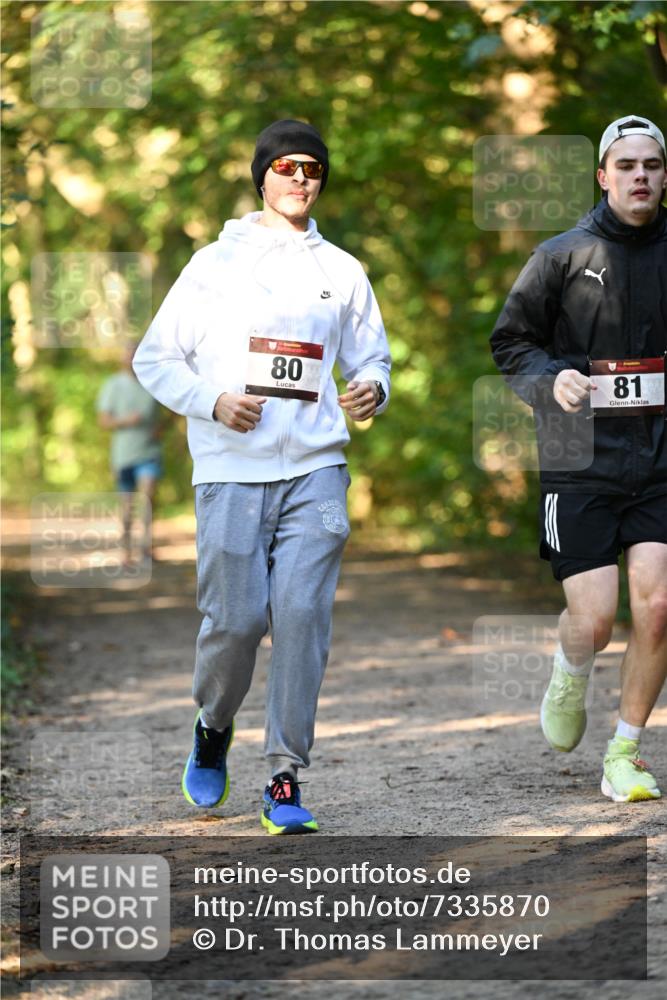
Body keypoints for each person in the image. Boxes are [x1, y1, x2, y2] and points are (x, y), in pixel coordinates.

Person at [133, 119, 391, 833]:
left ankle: (284, 777)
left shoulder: (340, 270)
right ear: (262, 177)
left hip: (316, 468)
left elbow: (372, 358)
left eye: (312, 168)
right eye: (285, 166)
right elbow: (154, 360)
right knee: (237, 623)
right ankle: (214, 724)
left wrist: (373, 388)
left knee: (303, 618)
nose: (300, 178)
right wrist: (211, 402)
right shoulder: (213, 265)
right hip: (230, 471)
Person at [490, 115, 667, 803]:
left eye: (651, 164)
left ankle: (624, 750)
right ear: (602, 174)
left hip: (658, 456)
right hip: (578, 455)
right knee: (594, 619)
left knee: (656, 608)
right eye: (626, 165)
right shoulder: (560, 255)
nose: (640, 176)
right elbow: (510, 342)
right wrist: (549, 379)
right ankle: (570, 665)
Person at [96, 342, 162, 565]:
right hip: (123, 455)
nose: (132, 358)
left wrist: (160, 429)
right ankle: (126, 551)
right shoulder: (113, 385)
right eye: (128, 354)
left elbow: (172, 409)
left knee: (147, 497)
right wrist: (127, 420)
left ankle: (145, 548)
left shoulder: (152, 383)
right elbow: (103, 421)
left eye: (136, 354)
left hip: (149, 452)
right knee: (127, 506)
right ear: (122, 359)